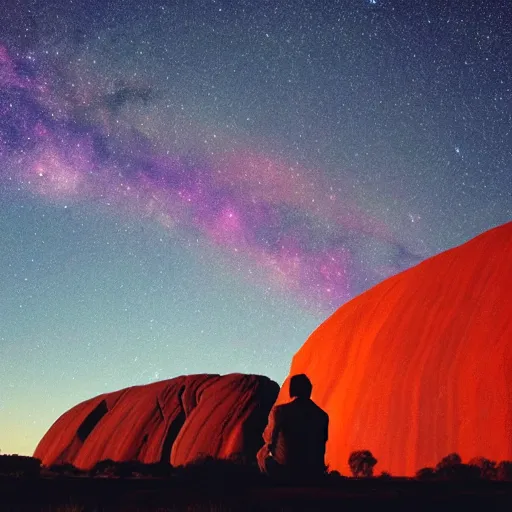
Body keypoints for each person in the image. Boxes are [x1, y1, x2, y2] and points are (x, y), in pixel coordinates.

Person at [257, 374, 329, 483]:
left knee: (261, 454)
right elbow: (323, 443)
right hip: (313, 471)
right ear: (309, 390)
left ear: (292, 390)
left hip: (286, 471)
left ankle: (270, 486)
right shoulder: (322, 415)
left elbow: (269, 438)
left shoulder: (280, 411)